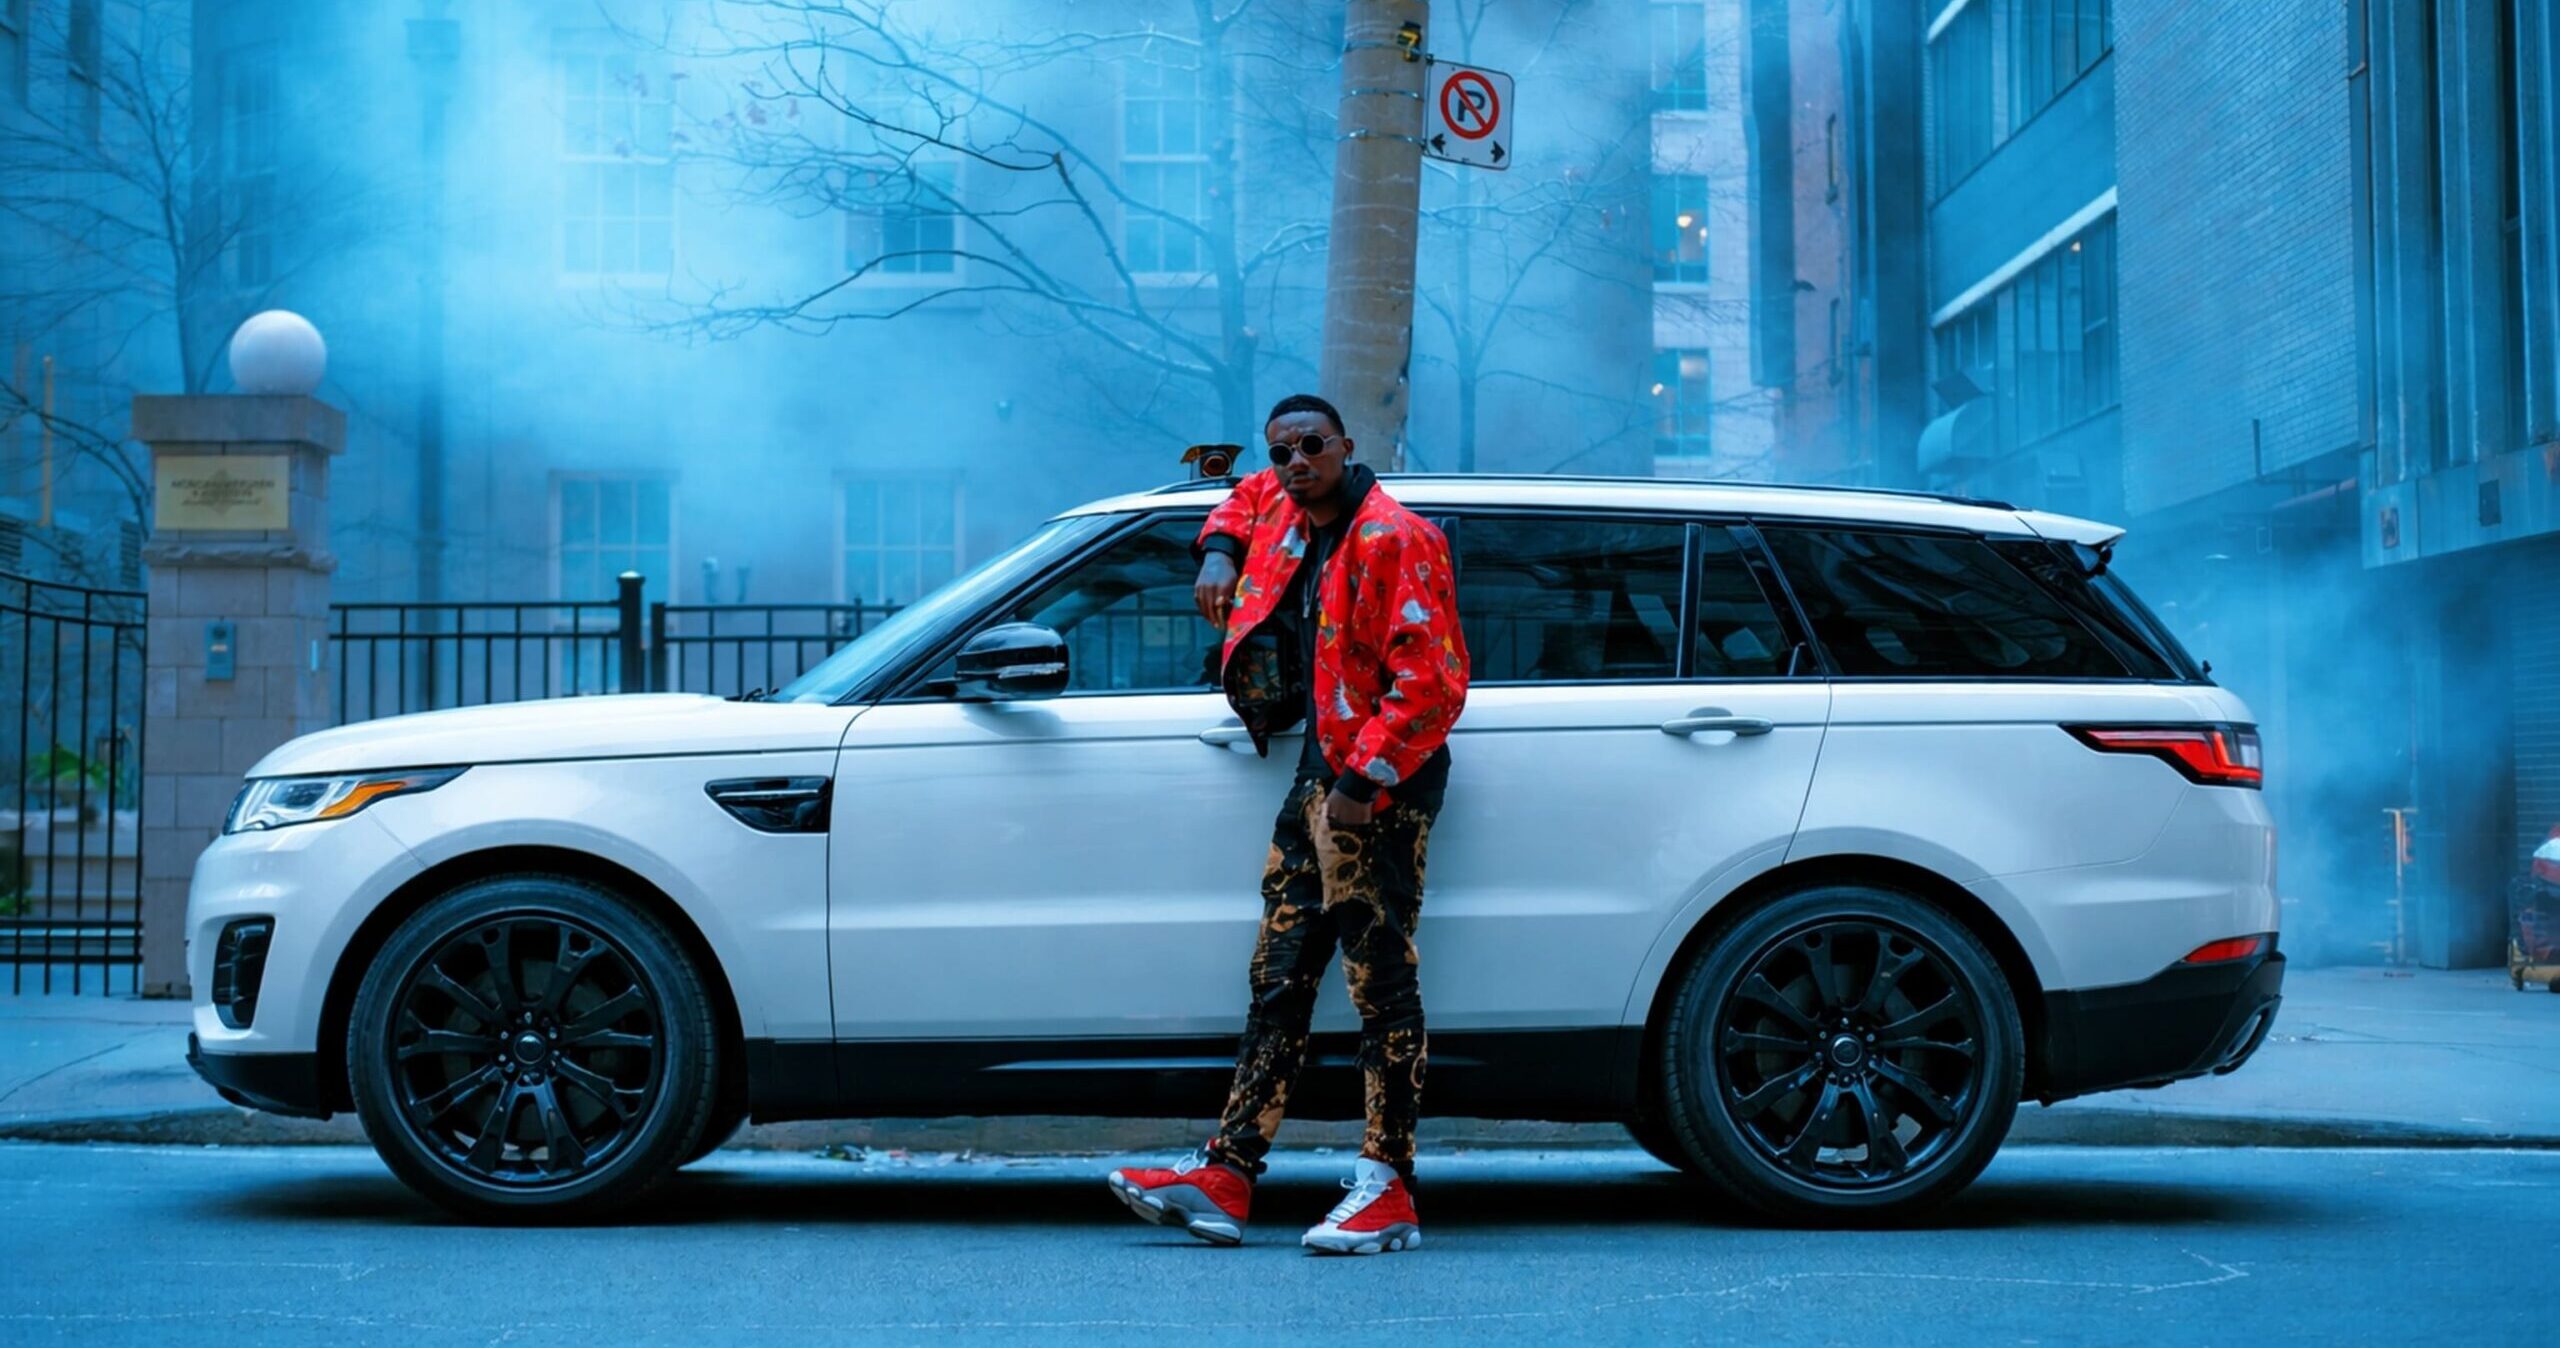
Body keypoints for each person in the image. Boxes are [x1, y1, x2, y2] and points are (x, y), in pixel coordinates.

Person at [1106, 393, 1469, 1256]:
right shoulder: (1284, 503)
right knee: (1279, 976)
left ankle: (1389, 1191)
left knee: (1380, 983)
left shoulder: (1396, 537)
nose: (1296, 460)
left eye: (1312, 445)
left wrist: (1359, 781)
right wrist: (1222, 554)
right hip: (1320, 774)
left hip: (1375, 783)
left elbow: (1435, 683)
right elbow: (1237, 499)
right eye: (1283, 450)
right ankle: (1227, 1174)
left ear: (1347, 446)